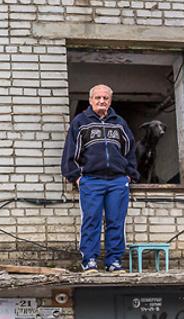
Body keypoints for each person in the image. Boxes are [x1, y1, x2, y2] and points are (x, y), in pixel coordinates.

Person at [61, 84, 140, 274]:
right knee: (91, 220)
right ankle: (89, 261)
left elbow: (130, 151)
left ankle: (114, 261)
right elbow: (70, 152)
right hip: (91, 180)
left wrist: (130, 174)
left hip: (117, 181)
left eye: (105, 98)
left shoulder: (119, 123)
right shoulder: (80, 122)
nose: (101, 101)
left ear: (110, 101)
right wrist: (76, 177)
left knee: (116, 221)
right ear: (90, 100)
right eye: (98, 98)